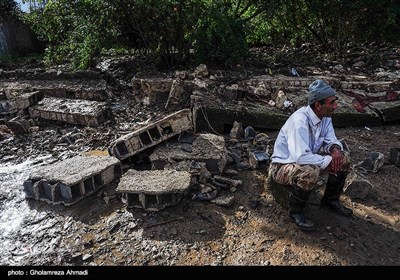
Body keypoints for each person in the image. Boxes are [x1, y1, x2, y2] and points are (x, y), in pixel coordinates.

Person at [268, 79, 353, 231]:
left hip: (306, 161)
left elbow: (331, 139)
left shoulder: (325, 117)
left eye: (335, 101)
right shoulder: (299, 121)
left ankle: (330, 201)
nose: (336, 106)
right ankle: (296, 212)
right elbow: (301, 157)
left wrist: (335, 150)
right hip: (282, 167)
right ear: (318, 105)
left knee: (343, 158)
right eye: (332, 102)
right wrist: (328, 159)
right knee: (309, 171)